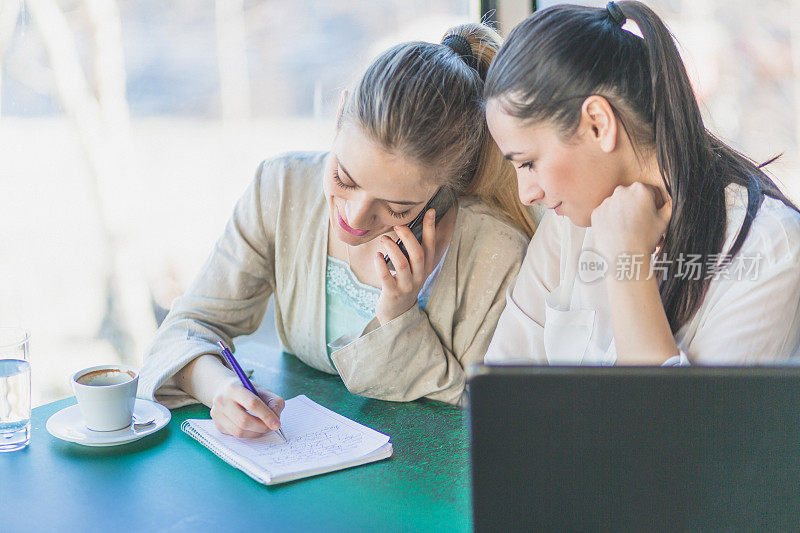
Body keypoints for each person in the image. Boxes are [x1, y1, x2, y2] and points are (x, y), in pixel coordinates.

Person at [138, 23, 534, 437]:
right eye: (344, 178)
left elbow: (485, 408)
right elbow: (188, 327)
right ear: (339, 114)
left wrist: (397, 313)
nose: (356, 216)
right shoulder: (281, 187)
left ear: (447, 186)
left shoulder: (494, 251)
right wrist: (220, 387)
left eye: (396, 207)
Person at [484, 1, 800, 366]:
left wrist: (627, 260)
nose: (527, 194)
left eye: (529, 163)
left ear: (598, 124)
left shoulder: (769, 248)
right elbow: (502, 388)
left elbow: (671, 422)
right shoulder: (570, 221)